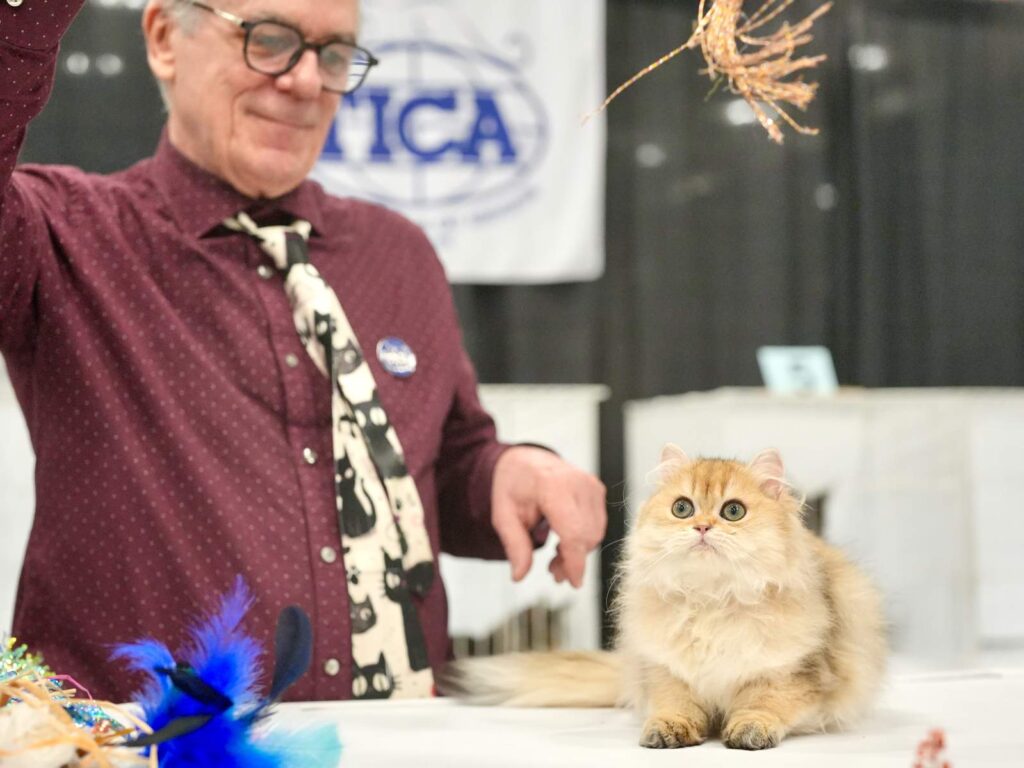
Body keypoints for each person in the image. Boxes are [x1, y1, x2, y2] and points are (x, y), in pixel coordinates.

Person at [0, 0, 606, 702]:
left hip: (402, 748)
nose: (306, 81)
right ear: (166, 37)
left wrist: (507, 473)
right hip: (138, 746)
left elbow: (441, 467)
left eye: (334, 53)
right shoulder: (67, 236)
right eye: (270, 40)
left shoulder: (395, 255)